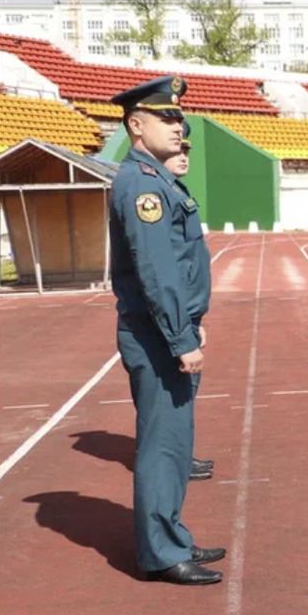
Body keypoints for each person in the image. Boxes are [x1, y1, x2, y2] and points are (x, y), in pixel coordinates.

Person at [104, 76, 224, 586]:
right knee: (162, 446)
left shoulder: (157, 180)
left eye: (178, 118)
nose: (178, 127)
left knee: (175, 445)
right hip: (157, 337)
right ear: (136, 124)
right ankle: (159, 552)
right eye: (167, 118)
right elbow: (158, 272)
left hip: (168, 331)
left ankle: (170, 535)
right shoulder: (143, 187)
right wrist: (181, 337)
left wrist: (189, 325)